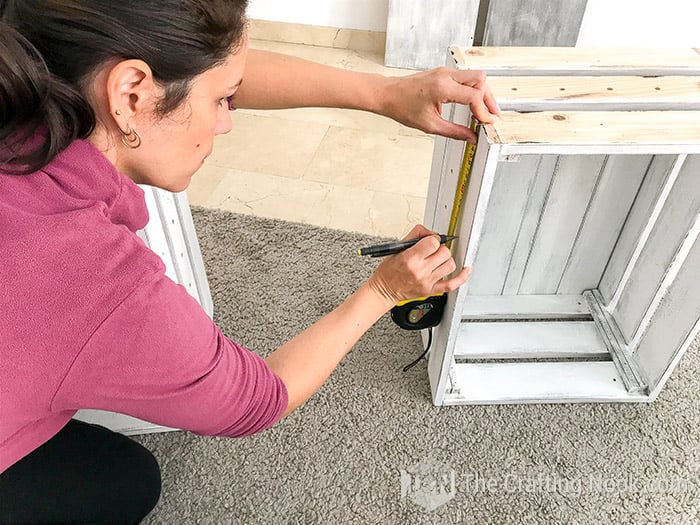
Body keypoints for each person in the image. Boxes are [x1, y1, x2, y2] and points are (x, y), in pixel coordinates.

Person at [0, 1, 499, 523]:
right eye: (221, 101)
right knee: (122, 481)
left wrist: (381, 93)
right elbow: (255, 402)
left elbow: (201, 68)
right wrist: (382, 291)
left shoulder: (24, 58)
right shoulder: (99, 283)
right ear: (129, 94)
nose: (226, 123)